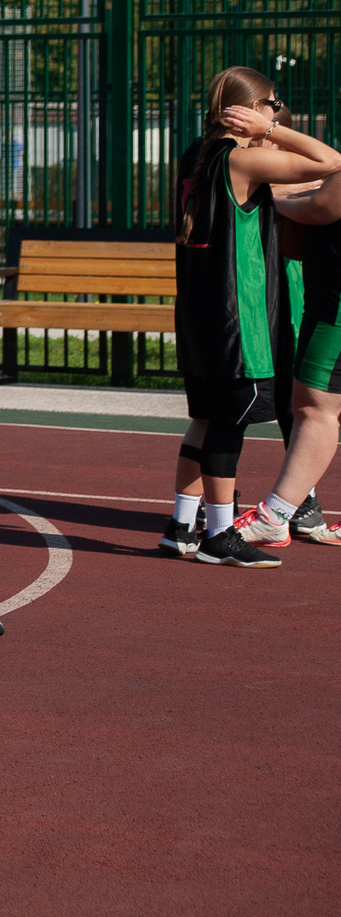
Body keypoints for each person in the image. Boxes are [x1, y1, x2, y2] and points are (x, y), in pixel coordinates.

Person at [160, 69, 341, 564]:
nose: (275, 110)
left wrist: (264, 126)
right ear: (248, 110)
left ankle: (181, 525)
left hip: (200, 313)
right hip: (236, 315)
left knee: (205, 418)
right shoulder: (242, 159)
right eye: (271, 103)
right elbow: (331, 162)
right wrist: (273, 131)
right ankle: (221, 535)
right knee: (229, 420)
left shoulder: (196, 154)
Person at [221, 170, 341, 554]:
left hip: (336, 304)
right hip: (326, 294)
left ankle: (275, 516)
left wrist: (274, 195)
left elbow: (325, 206)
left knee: (314, 409)